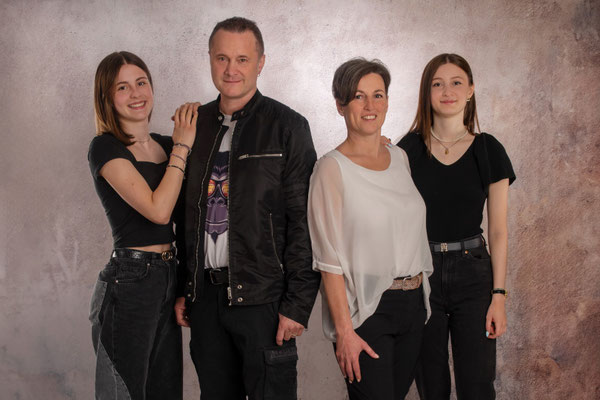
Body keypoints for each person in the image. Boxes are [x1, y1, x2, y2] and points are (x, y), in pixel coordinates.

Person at [173, 17, 321, 400]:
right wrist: (184, 287)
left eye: (242, 59)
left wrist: (298, 304)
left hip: (263, 300)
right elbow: (183, 217)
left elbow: (305, 222)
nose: (231, 69)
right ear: (210, 59)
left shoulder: (288, 127)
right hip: (205, 303)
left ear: (261, 63)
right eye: (222, 58)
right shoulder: (195, 126)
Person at [308, 58, 433, 400]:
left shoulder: (400, 158)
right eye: (358, 96)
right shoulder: (330, 169)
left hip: (413, 305)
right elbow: (328, 260)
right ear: (340, 105)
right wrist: (344, 332)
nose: (370, 106)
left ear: (387, 102)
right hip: (367, 311)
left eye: (378, 95)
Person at [398, 53, 516, 399]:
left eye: (456, 83)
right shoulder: (407, 150)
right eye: (437, 84)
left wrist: (498, 297)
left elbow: (498, 231)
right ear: (427, 92)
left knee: (476, 384)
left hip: (473, 275)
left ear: (470, 90)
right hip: (422, 274)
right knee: (431, 385)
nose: (447, 91)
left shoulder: (488, 149)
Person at [88, 51, 198, 400]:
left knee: (166, 391)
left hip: (168, 275)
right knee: (124, 392)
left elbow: (187, 218)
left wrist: (181, 286)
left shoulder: (167, 145)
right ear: (107, 97)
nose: (136, 94)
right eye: (122, 87)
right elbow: (158, 211)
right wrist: (183, 146)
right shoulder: (105, 147)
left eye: (141, 82)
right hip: (130, 280)